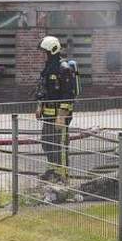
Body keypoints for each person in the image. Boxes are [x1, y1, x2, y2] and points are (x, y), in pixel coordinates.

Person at [35, 36, 79, 182]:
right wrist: (40, 106)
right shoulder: (48, 69)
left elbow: (69, 94)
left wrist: (61, 115)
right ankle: (53, 170)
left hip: (60, 116)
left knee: (59, 145)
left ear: (52, 51)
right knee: (47, 142)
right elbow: (43, 89)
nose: (43, 55)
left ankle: (63, 175)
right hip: (48, 115)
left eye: (44, 52)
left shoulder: (64, 69)